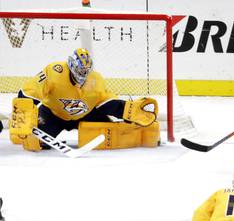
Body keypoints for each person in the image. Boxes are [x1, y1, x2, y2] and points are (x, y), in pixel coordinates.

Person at [10, 48, 160, 151]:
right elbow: (30, 90)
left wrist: (129, 110)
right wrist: (24, 114)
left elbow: (107, 102)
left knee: (111, 131)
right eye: (80, 70)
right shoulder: (55, 71)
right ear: (71, 65)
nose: (83, 74)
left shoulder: (95, 80)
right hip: (53, 114)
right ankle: (27, 132)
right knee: (28, 139)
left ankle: (141, 134)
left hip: (85, 114)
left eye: (86, 71)